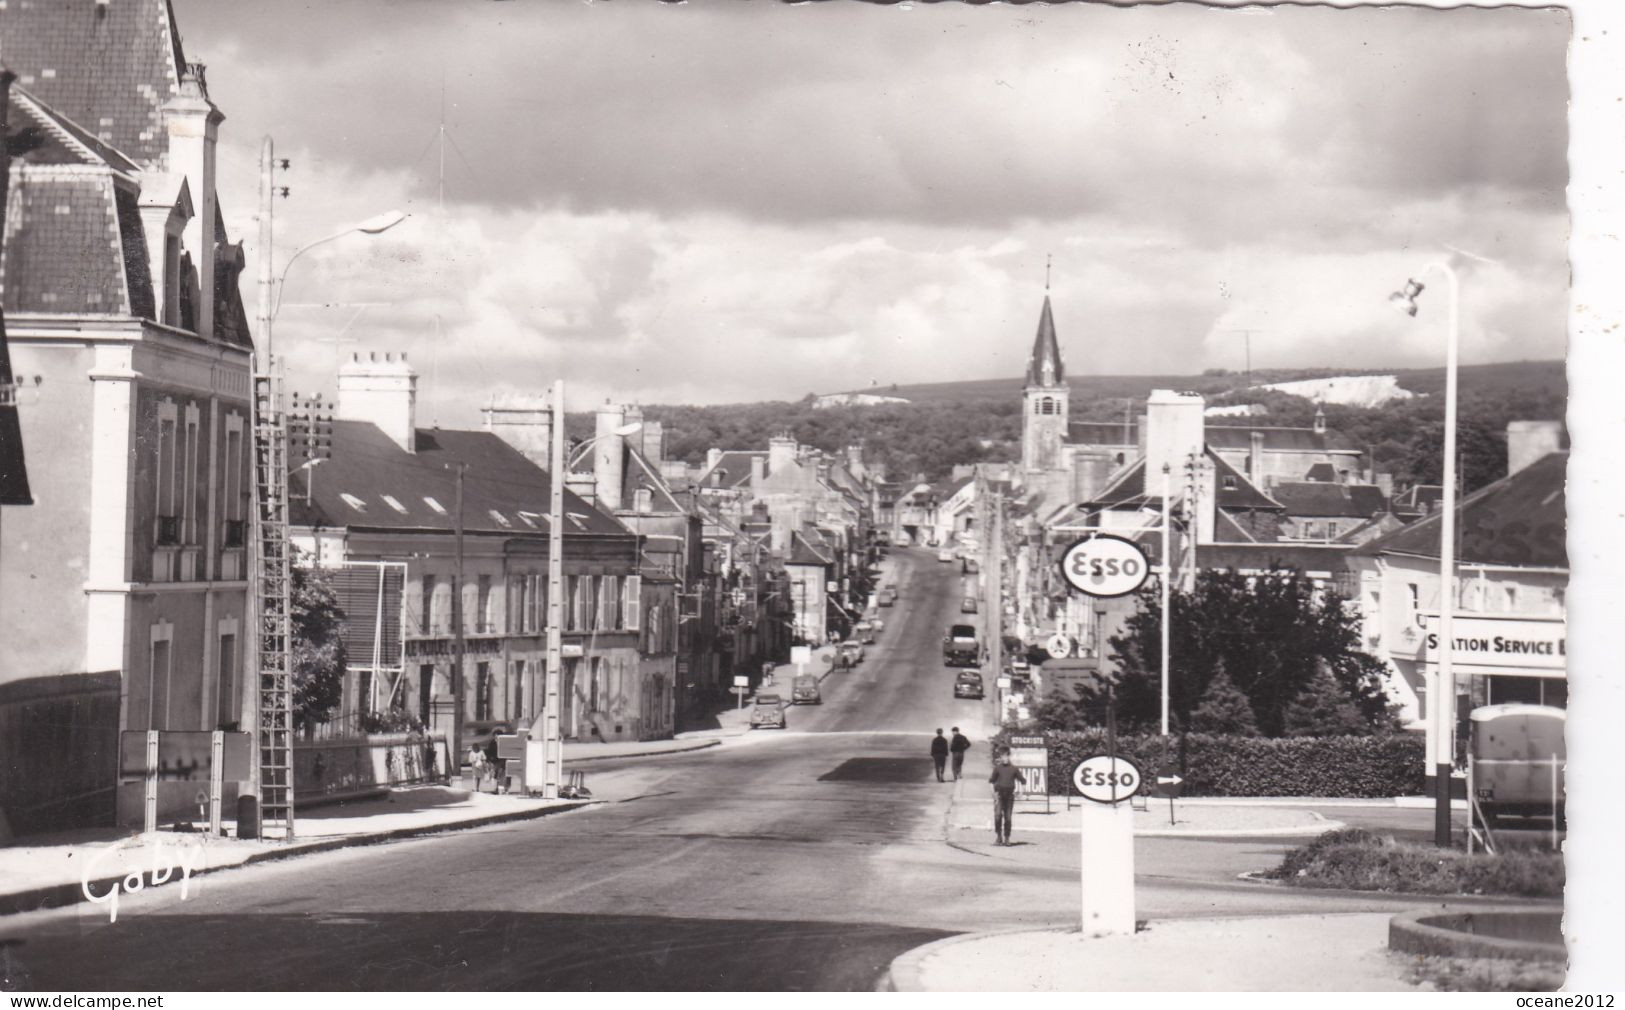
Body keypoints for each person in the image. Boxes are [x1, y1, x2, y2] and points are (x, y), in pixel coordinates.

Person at [989, 751, 1026, 845]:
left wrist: (1021, 792)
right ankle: (998, 837)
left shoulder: (1014, 769)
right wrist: (993, 794)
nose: (1005, 758)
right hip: (999, 795)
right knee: (997, 815)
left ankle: (1007, 838)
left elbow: (1023, 781)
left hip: (1009, 796)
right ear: (1000, 757)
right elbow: (991, 781)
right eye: (1003, 756)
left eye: (1006, 756)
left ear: (1009, 757)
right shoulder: (998, 768)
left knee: (1008, 817)